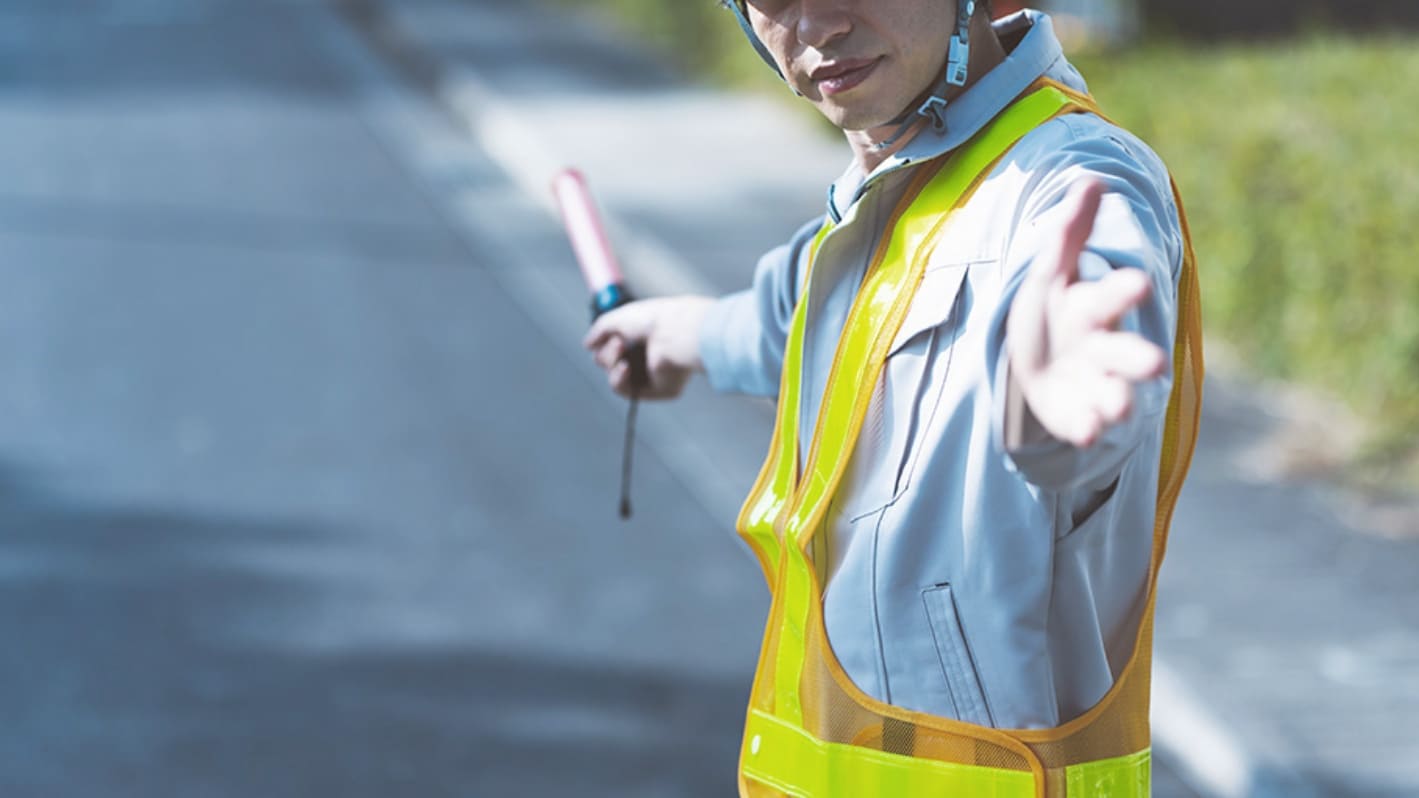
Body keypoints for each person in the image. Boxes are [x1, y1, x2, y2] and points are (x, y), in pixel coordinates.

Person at [585, 2, 1202, 795]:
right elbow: (793, 317)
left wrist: (1051, 407)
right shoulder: (895, 185)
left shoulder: (1071, 176)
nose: (815, 28)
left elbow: (1087, 334)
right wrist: (677, 335)